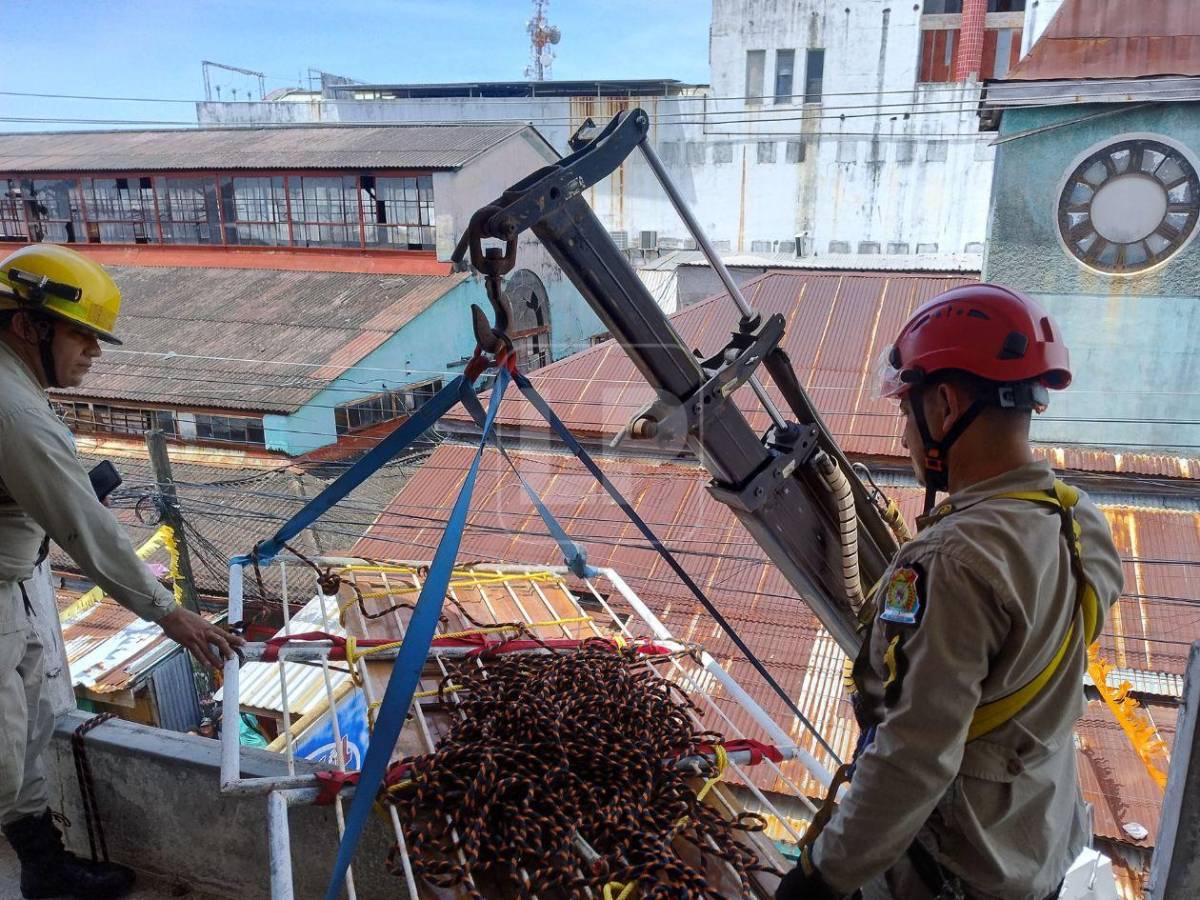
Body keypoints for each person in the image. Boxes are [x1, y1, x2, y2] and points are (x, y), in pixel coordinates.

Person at [777, 284, 1124, 900]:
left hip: (958, 871)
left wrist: (819, 878)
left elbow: (913, 756)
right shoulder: (1076, 520)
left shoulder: (952, 561)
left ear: (942, 405)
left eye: (905, 412)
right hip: (1034, 844)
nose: (906, 436)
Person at [0, 244, 245, 899]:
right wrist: (170, 613)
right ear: (29, 326)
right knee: (5, 747)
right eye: (84, 336)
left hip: (16, 586)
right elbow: (84, 525)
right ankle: (45, 874)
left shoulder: (16, 388)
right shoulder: (13, 409)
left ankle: (43, 869)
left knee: (21, 739)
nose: (94, 353)